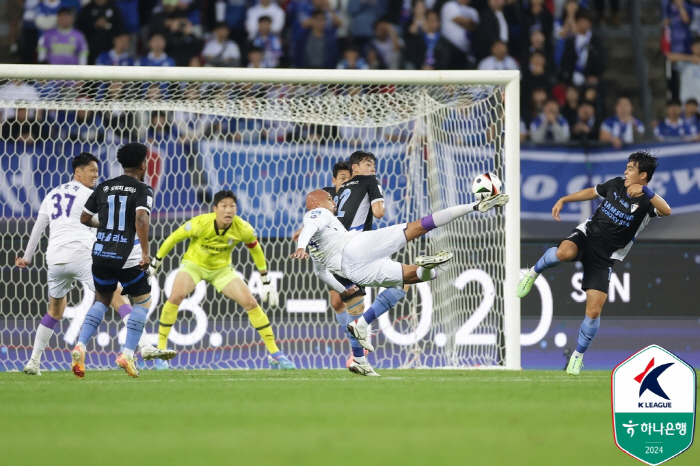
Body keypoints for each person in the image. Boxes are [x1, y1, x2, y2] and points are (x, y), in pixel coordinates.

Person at [291, 188, 510, 375]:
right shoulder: (317, 212)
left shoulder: (315, 244)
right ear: (317, 202)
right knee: (419, 226)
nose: (333, 201)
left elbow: (320, 272)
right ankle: (474, 206)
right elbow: (310, 225)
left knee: (416, 277)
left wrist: (343, 290)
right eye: (330, 199)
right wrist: (300, 246)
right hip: (355, 247)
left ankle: (361, 343)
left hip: (354, 271)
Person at [15, 153, 172, 375]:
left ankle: (33, 361)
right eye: (92, 170)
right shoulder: (90, 194)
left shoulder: (52, 195)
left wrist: (27, 256)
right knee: (119, 299)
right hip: (83, 255)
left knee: (54, 311)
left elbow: (39, 227)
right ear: (77, 171)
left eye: (97, 170)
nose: (96, 174)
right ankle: (144, 346)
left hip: (55, 259)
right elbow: (103, 222)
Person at [517, 152, 672, 375]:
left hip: (605, 256)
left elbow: (667, 210)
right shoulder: (617, 184)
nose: (625, 172)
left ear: (643, 175)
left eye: (630, 168)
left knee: (594, 310)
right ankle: (532, 273)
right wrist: (564, 199)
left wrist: (647, 191)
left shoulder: (648, 201)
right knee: (563, 252)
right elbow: (593, 192)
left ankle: (577, 357)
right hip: (587, 236)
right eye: (626, 167)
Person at [150, 190, 296, 370]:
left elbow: (255, 249)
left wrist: (265, 279)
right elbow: (173, 238)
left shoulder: (243, 228)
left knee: (250, 302)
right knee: (176, 296)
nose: (228, 211)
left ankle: (275, 354)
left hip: (221, 270)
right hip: (194, 265)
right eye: (224, 206)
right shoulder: (200, 223)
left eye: (232, 206)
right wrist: (155, 263)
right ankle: (161, 351)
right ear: (215, 209)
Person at [72, 143, 157, 378]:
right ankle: (128, 354)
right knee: (142, 302)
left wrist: (107, 226)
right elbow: (141, 217)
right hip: (127, 256)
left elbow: (84, 218)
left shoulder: (104, 187)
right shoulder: (143, 189)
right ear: (143, 164)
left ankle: (80, 345)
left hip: (100, 254)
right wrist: (145, 253)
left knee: (102, 299)